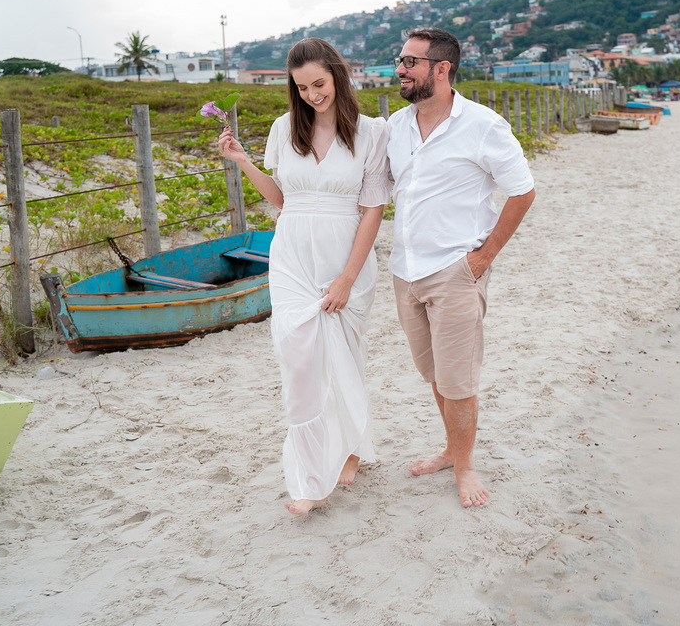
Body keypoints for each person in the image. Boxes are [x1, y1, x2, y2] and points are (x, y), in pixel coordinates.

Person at [217, 37, 390, 516]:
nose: (312, 94)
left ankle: (350, 448)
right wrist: (244, 162)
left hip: (344, 256)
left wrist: (347, 278)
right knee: (297, 354)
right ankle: (310, 479)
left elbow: (373, 209)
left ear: (337, 74)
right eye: (302, 87)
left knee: (345, 355)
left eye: (319, 83)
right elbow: (282, 198)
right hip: (291, 254)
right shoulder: (283, 128)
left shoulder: (372, 132)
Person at [386, 28, 535, 508]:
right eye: (399, 60)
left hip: (455, 271)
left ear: (442, 68)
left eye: (410, 62)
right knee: (435, 373)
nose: (400, 69)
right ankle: (452, 450)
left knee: (459, 380)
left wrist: (483, 257)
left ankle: (466, 466)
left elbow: (522, 191)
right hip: (405, 271)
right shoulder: (395, 127)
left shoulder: (483, 125)